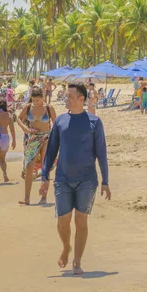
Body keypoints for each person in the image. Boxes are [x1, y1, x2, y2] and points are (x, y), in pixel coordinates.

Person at [39, 83, 111, 275]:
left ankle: (77, 261)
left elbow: (101, 153)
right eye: (66, 95)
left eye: (70, 96)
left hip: (87, 180)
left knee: (81, 220)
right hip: (62, 179)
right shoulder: (60, 122)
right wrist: (44, 177)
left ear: (81, 99)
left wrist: (106, 181)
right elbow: (51, 151)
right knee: (63, 221)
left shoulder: (94, 122)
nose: (66, 98)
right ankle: (66, 247)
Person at [16, 88, 56, 205]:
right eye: (34, 100)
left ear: (42, 98)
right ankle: (26, 198)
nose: (36, 102)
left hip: (46, 137)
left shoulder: (48, 108)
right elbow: (18, 118)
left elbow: (56, 123)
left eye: (38, 100)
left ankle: (44, 197)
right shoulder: (28, 107)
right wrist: (24, 128)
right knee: (29, 166)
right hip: (32, 138)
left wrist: (55, 137)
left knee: (45, 167)